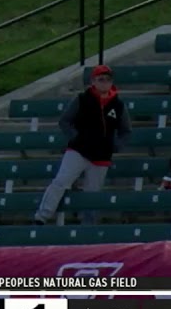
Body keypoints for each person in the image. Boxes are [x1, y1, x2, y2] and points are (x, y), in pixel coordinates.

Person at [33, 64, 133, 226]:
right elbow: (65, 121)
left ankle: (88, 225)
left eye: (108, 79)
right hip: (78, 150)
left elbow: (126, 130)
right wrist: (76, 138)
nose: (104, 83)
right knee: (61, 181)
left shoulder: (118, 105)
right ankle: (42, 216)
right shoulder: (81, 99)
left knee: (93, 193)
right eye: (101, 79)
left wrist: (116, 146)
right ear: (93, 81)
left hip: (102, 155)